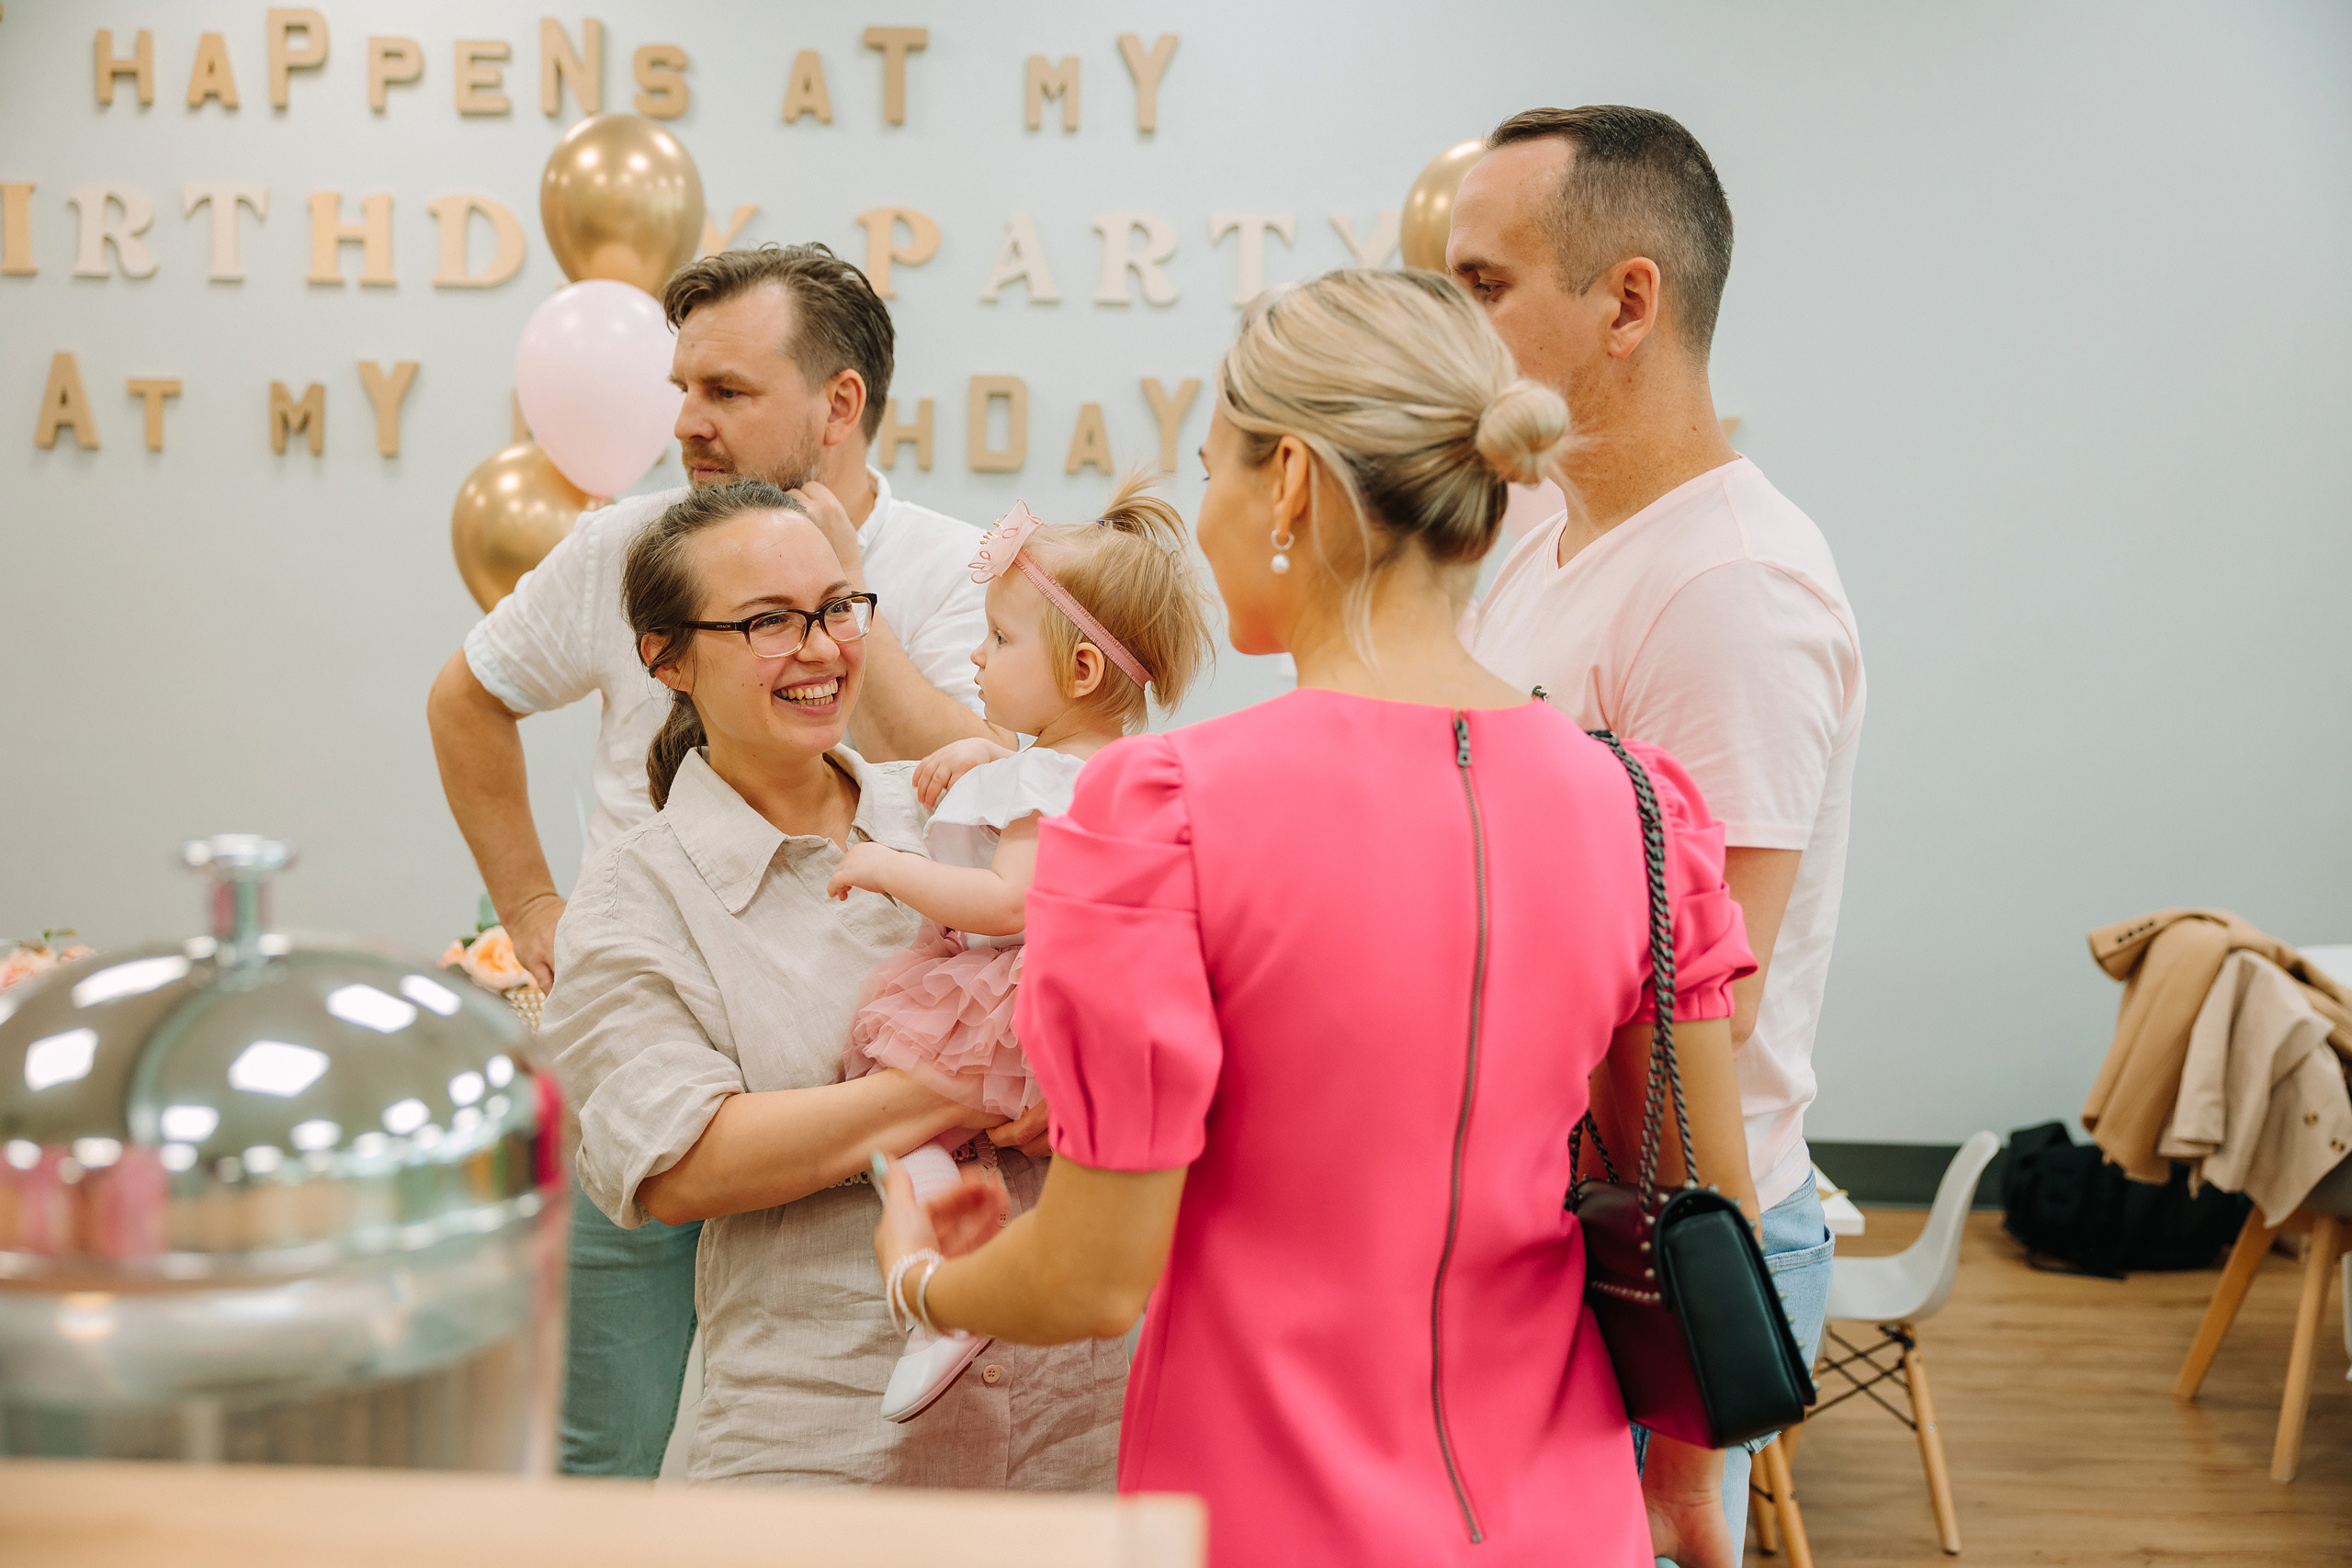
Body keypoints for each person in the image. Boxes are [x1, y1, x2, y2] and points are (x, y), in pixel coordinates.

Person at [867, 269, 1762, 1568]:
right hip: (1560, 1511)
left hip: (1263, 1511)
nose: (1213, 515)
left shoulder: (1161, 806)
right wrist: (1684, 1477)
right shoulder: (1637, 807)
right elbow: (1697, 1194)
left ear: (1288, 480)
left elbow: (1094, 1273)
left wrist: (925, 1282)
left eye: (1216, 470)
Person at [424, 243, 1003, 1478]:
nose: (683, 420)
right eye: (683, 387)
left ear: (838, 404)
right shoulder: (624, 543)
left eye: (726, 392)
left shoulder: (957, 569)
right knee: (609, 1451)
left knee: (842, 1415)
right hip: (652, 1038)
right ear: (670, 651)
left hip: (844, 1051)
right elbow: (465, 698)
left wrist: (842, 592)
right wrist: (536, 904)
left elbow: (986, 780)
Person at [1448, 106, 1866, 1562]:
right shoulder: (1537, 541)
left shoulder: (1729, 587)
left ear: (1628, 300)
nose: (1457, 324)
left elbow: (1705, 995)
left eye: (1485, 285)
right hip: (1549, 1200)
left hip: (1663, 1220)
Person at [538, 479, 1127, 1486]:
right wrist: (971, 1082)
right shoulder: (634, 901)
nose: (820, 647)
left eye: (837, 607)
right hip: (829, 1451)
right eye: (769, 621)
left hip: (1079, 1430)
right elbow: (683, 1165)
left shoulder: (959, 809)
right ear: (664, 658)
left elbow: (1146, 979)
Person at [828, 478, 1214, 1422]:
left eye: (999, 641)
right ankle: (956, 1276)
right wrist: (985, 760)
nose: (977, 653)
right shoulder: (1112, 767)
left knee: (890, 1138)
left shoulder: (1044, 776)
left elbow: (1008, 903)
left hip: (1010, 994)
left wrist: (885, 867)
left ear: (1080, 672)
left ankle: (940, 1289)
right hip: (1098, 1001)